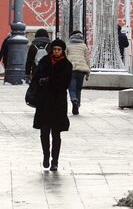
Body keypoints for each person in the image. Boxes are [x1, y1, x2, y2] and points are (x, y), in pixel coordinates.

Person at [32, 39, 72, 171]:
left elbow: (64, 83)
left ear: (62, 51)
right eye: (54, 49)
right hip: (44, 102)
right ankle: (46, 156)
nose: (56, 52)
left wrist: (48, 81)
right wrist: (41, 81)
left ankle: (55, 160)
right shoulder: (44, 61)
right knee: (44, 133)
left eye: (59, 49)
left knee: (56, 133)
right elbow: (36, 77)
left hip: (58, 103)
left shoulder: (66, 65)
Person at [66, 30, 91, 115]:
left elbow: (65, 58)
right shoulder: (84, 46)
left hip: (71, 69)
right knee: (78, 88)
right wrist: (88, 72)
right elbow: (87, 59)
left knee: (71, 87)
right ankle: (77, 105)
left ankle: (73, 99)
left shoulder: (68, 45)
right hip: (81, 69)